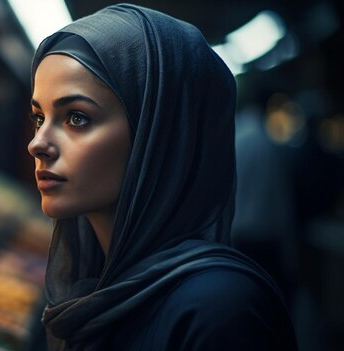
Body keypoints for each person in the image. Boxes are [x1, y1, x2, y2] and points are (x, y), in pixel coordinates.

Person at [26, 3, 298, 351]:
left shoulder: (220, 310)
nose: (38, 144)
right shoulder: (93, 287)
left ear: (159, 136)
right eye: (39, 118)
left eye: (77, 117)